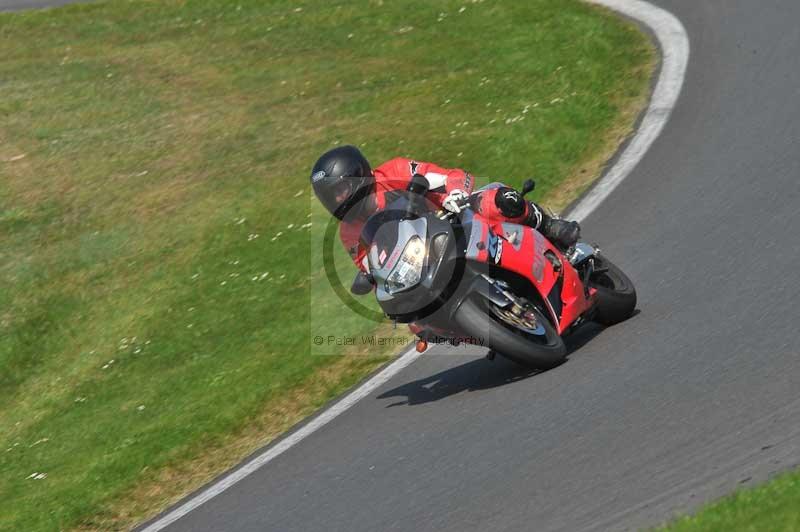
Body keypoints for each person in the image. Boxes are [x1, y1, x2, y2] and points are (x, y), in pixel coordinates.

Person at [310, 145, 580, 275]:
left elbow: (450, 176)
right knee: (416, 322)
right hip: (424, 262)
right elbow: (370, 267)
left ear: (359, 176)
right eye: (330, 197)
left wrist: (455, 194)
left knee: (501, 200)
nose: (337, 200)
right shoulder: (349, 232)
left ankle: (548, 225)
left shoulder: (394, 172)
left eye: (340, 190)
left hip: (454, 219)